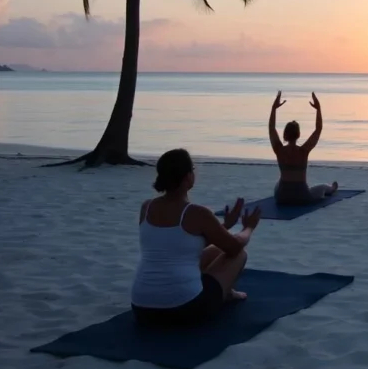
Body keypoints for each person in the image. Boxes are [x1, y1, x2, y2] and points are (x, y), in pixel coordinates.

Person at [130, 149, 261, 327]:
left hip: (142, 309)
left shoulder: (147, 207)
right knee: (239, 255)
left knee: (215, 250)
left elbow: (178, 243)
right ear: (187, 177)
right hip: (185, 309)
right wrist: (248, 228)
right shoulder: (197, 213)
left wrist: (225, 226)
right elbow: (234, 247)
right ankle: (226, 293)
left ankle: (226, 290)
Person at [269, 90, 338, 205]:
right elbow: (318, 129)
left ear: (284, 135)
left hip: (282, 196)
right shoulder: (304, 151)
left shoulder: (279, 150)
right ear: (299, 135)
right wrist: (318, 109)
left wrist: (274, 108)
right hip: (302, 196)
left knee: (278, 184)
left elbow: (271, 128)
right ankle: (331, 188)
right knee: (322, 187)